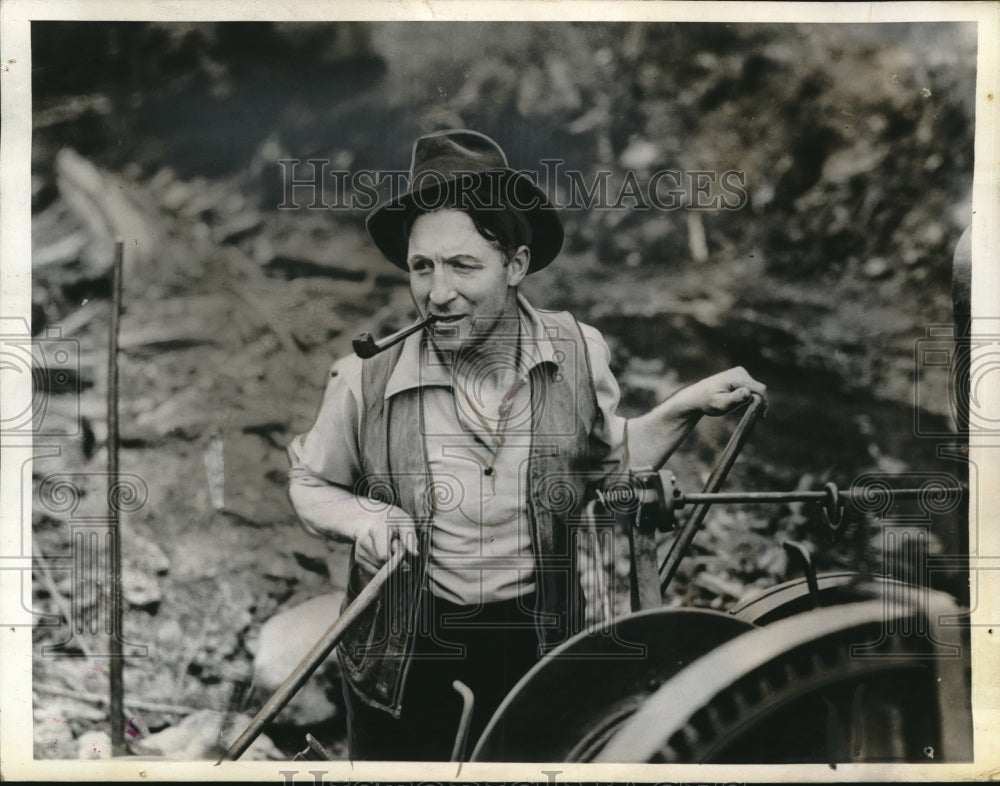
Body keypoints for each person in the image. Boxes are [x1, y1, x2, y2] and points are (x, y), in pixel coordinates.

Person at [286, 129, 767, 761]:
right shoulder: (367, 377)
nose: (437, 293)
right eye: (422, 267)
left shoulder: (576, 354)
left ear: (514, 265)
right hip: (405, 653)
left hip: (538, 643)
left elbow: (608, 463)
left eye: (463, 266)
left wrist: (686, 406)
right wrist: (366, 517)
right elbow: (310, 483)